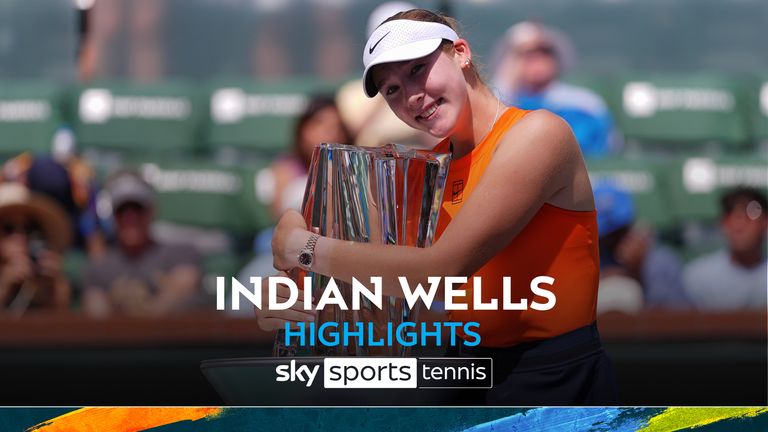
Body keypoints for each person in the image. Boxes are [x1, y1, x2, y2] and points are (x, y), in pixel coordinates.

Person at [265, 9, 616, 405]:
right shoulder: (423, 170)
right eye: (392, 90)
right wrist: (292, 299)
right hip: (463, 372)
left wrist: (304, 248)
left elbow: (440, 271)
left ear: (461, 53)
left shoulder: (538, 134)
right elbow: (371, 303)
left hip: (557, 381)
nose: (411, 95)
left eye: (418, 69)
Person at [490, 21, 619, 157]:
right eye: (526, 54)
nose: (537, 59)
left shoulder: (584, 102)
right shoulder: (502, 101)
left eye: (545, 51)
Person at [82, 170, 202, 318]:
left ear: (151, 211)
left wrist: (146, 322)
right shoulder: (100, 267)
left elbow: (186, 281)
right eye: (122, 210)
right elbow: (96, 313)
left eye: (137, 209)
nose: (130, 217)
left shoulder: (181, 253)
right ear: (113, 215)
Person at [594, 181, 689, 311]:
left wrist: (637, 273)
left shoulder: (661, 262)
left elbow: (673, 321)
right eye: (607, 234)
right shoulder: (583, 261)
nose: (612, 238)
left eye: (617, 231)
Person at [683, 187, 767, 311]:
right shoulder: (696, 278)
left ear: (765, 222)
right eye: (730, 215)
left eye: (750, 215)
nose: (739, 225)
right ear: (722, 224)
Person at [0, 183, 72, 313]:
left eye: (29, 229)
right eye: (9, 228)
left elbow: (61, 328)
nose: (21, 237)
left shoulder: (43, 282)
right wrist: (3, 287)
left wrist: (55, 288)